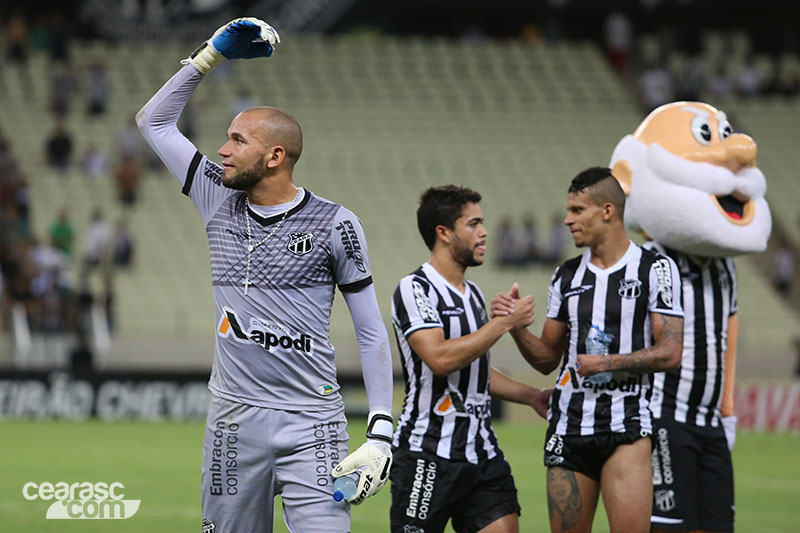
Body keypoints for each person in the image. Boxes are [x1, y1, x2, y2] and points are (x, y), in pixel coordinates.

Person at [136, 18, 394, 532]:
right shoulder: (216, 195)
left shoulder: (336, 224)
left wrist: (381, 429)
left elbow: (369, 330)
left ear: (275, 156)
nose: (223, 150)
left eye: (237, 140)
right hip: (235, 420)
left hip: (313, 422)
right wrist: (210, 55)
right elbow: (153, 122)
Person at [491, 167, 684, 533]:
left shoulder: (655, 269)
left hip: (627, 426)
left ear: (607, 211)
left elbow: (671, 351)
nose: (567, 220)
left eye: (578, 210)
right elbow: (547, 359)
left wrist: (606, 363)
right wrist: (516, 328)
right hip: (568, 425)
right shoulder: (565, 276)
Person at [609, 102, 772, 533]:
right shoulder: (648, 263)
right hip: (665, 416)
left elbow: (727, 341)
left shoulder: (726, 269)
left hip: (711, 423)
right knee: (670, 527)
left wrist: (729, 412)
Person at [390, 185, 551, 533]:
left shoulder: (474, 294)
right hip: (426, 453)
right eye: (474, 223)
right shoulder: (415, 288)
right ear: (444, 233)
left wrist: (532, 396)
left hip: (480, 452)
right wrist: (504, 323)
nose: (484, 232)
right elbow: (440, 359)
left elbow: (476, 370)